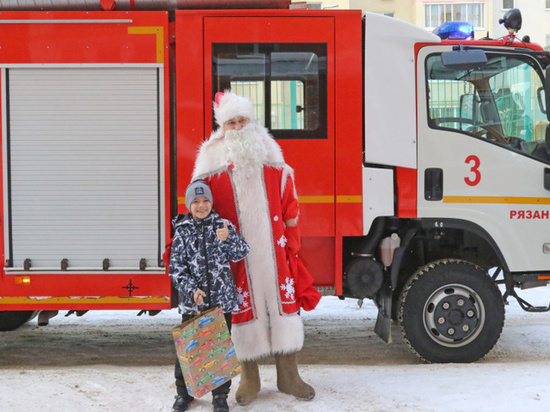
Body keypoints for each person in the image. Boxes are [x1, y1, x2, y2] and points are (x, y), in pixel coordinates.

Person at [192, 91, 320, 406]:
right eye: (232, 122)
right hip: (234, 253)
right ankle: (249, 378)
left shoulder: (269, 150)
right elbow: (200, 204)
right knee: (242, 311)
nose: (238, 125)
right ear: (224, 126)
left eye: (242, 120)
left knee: (283, 308)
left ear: (250, 120)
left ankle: (289, 375)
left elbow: (289, 200)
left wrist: (292, 242)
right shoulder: (210, 157)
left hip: (275, 250)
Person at [169, 179, 250, 412]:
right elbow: (176, 268)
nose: (201, 205)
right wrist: (191, 290)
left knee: (219, 349)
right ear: (189, 204)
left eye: (205, 200)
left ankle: (220, 396)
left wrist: (229, 238)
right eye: (196, 201)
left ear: (211, 203)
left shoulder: (222, 225)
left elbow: (241, 252)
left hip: (220, 302)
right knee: (188, 349)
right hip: (193, 304)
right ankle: (184, 394)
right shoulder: (182, 231)